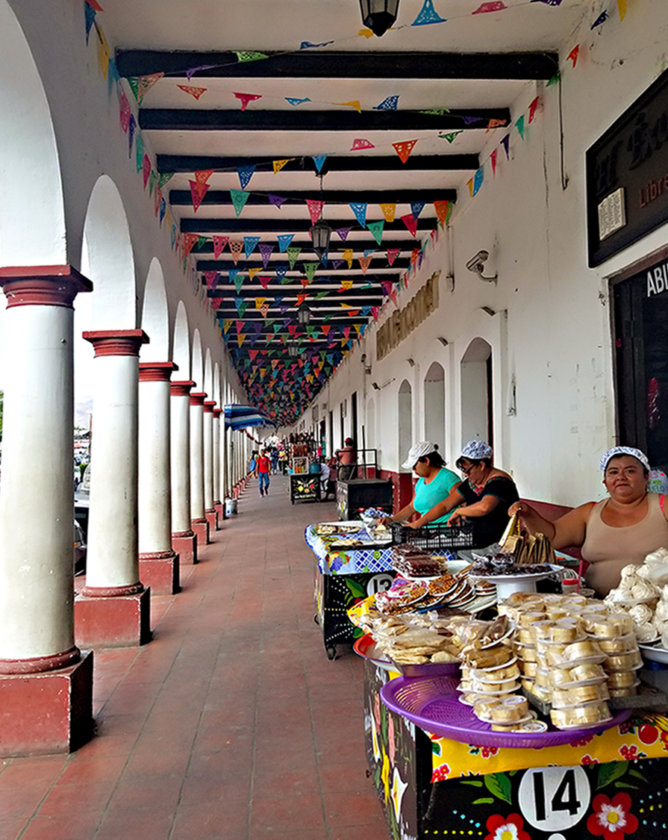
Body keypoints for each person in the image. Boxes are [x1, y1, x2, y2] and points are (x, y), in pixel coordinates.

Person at [509, 446, 668, 596]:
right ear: (605, 482)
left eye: (630, 471)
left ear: (646, 477)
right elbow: (553, 537)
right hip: (598, 609)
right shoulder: (589, 512)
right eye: (613, 472)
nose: (620, 477)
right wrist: (528, 513)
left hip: (657, 612)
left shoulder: (663, 505)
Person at [407, 440, 520, 547]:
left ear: (481, 465)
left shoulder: (500, 482)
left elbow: (484, 507)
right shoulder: (471, 483)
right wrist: (419, 523)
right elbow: (445, 505)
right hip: (474, 542)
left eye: (468, 471)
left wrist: (459, 511)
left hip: (498, 544)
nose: (466, 475)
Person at [382, 442, 460, 527]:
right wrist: (392, 520)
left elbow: (462, 504)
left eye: (415, 465)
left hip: (446, 534)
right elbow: (411, 507)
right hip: (427, 532)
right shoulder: (420, 482)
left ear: (426, 461)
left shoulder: (448, 478)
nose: (413, 469)